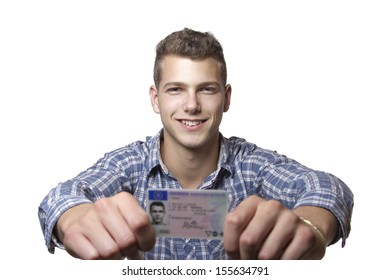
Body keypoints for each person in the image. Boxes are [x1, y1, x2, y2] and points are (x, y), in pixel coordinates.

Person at [38, 28, 354, 260]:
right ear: (155, 98)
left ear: (226, 98)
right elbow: (62, 195)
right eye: (176, 89)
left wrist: (312, 224)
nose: (191, 105)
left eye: (206, 89)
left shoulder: (250, 164)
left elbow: (325, 186)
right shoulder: (129, 164)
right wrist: (74, 217)